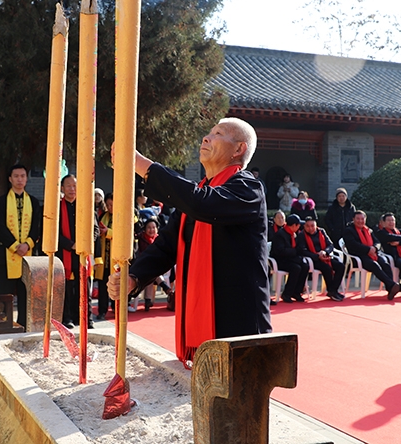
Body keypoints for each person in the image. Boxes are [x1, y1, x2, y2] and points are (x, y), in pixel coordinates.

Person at [107, 117, 272, 368]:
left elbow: (203, 203)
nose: (207, 137)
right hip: (202, 319)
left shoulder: (248, 188)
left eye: (219, 133)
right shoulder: (197, 196)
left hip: (238, 320)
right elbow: (166, 247)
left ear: (239, 149)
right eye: (209, 132)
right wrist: (134, 277)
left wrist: (142, 166)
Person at [0, 164, 41, 331]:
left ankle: (24, 324)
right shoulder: (1, 202)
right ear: (10, 179)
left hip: (27, 255)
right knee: (5, 293)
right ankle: (5, 325)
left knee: (25, 293)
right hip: (6, 254)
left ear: (26, 179)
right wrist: (15, 246)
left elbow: (36, 227)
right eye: (16, 176)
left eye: (22, 176)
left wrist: (27, 244)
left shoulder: (34, 202)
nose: (19, 179)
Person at [57, 174, 98, 329]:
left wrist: (86, 243)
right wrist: (70, 244)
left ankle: (87, 318)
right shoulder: (57, 207)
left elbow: (95, 229)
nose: (72, 189)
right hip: (65, 253)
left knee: (84, 287)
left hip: (83, 253)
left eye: (75, 186)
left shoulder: (86, 206)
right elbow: (53, 232)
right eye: (68, 186)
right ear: (62, 188)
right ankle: (67, 317)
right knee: (66, 288)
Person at [342, 210, 401, 300]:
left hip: (372, 254)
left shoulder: (368, 230)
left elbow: (377, 242)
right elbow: (353, 244)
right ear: (353, 219)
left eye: (362, 219)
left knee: (385, 263)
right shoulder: (349, 230)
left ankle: (391, 288)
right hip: (358, 256)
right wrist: (368, 249)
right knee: (374, 265)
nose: (360, 221)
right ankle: (393, 285)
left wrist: (374, 248)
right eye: (358, 219)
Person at [298, 215, 345, 301]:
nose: (310, 228)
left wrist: (325, 252)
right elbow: (302, 251)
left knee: (340, 266)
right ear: (304, 226)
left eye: (312, 226)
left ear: (316, 225)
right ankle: (331, 291)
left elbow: (330, 245)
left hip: (325, 256)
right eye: (308, 226)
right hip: (312, 260)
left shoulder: (321, 231)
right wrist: (317, 256)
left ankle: (333, 290)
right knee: (326, 268)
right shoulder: (301, 235)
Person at [134, 218, 173, 311]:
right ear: (145, 229)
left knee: (152, 272)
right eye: (149, 227)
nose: (151, 230)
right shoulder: (140, 238)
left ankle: (148, 299)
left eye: (154, 227)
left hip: (157, 266)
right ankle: (164, 288)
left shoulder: (160, 239)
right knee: (150, 271)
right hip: (141, 265)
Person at [270, 214, 310, 303]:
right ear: (293, 226)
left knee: (305, 266)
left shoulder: (294, 234)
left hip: (290, 258)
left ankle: (297, 292)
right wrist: (295, 251)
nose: (300, 227)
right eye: (298, 225)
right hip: (280, 260)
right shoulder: (280, 235)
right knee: (296, 268)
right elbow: (280, 251)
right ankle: (287, 293)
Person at [95, 192, 114, 320]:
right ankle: (102, 310)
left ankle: (117, 308)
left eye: (112, 204)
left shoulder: (123, 216)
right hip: (105, 257)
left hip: (115, 258)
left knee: (116, 285)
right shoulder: (104, 216)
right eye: (107, 205)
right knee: (103, 285)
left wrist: (108, 232)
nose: (110, 207)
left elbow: (127, 234)